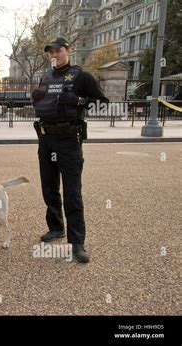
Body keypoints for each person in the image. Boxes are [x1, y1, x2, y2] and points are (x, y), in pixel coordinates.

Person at [32, 37, 109, 263]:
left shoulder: (82, 76)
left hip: (68, 140)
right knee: (49, 187)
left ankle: (77, 243)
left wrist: (78, 101)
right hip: (46, 139)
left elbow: (104, 105)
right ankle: (56, 227)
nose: (53, 55)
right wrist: (34, 98)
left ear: (68, 51)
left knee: (72, 193)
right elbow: (43, 106)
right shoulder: (45, 77)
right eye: (50, 52)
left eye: (58, 51)